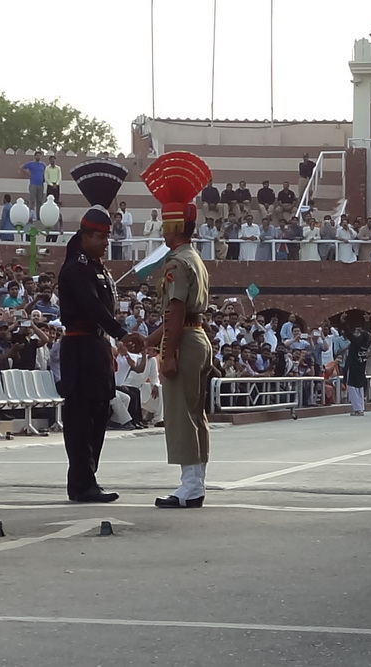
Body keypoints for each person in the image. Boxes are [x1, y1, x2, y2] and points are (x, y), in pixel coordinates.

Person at [140, 151, 214, 509]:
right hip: (198, 336)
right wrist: (151, 340)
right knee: (195, 413)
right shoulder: (194, 258)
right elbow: (181, 312)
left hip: (184, 340)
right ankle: (196, 482)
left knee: (181, 417)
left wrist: (165, 352)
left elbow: (175, 307)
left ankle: (188, 486)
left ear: (171, 226)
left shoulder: (175, 263)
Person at [58, 159, 131, 503]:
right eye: (99, 237)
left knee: (98, 414)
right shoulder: (76, 269)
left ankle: (89, 478)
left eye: (107, 237)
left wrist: (113, 339)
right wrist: (121, 332)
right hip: (81, 348)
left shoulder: (97, 268)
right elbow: (91, 307)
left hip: (97, 350)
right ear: (85, 236)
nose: (105, 242)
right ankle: (81, 482)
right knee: (81, 419)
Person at [343, 326, 371, 415]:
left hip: (353, 367)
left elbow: (349, 334)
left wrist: (343, 322)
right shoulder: (366, 343)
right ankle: (361, 408)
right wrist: (367, 323)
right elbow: (367, 334)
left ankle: (357, 409)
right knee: (360, 388)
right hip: (361, 367)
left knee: (351, 388)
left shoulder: (356, 342)